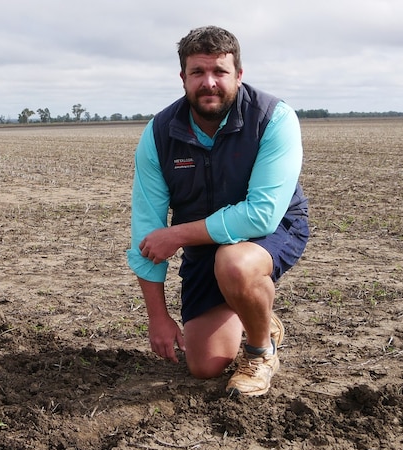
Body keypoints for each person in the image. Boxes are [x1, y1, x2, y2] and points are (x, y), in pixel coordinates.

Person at [127, 25, 309, 397]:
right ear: (183, 78)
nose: (209, 82)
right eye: (198, 72)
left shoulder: (273, 118)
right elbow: (146, 231)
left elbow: (261, 215)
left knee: (235, 264)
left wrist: (177, 234)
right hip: (205, 247)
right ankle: (259, 315)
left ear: (239, 75)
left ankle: (260, 353)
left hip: (271, 231)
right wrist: (157, 318)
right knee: (205, 366)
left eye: (220, 72)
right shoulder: (159, 134)